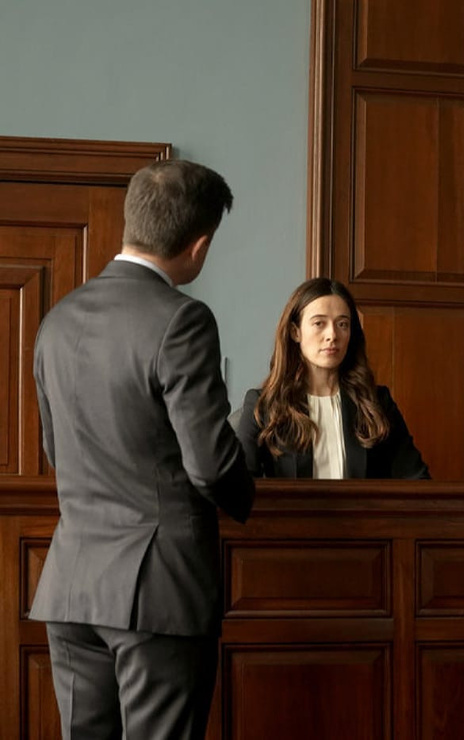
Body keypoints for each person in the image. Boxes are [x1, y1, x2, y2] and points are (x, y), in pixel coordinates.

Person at [31, 159, 254, 739]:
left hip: (72, 588)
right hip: (159, 594)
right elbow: (211, 465)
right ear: (200, 246)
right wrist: (248, 498)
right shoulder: (182, 319)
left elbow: (57, 450)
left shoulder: (57, 320)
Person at [236, 277, 430, 479]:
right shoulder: (264, 405)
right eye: (319, 323)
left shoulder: (377, 403)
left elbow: (417, 481)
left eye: (342, 324)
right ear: (295, 332)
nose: (332, 335)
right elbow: (238, 485)